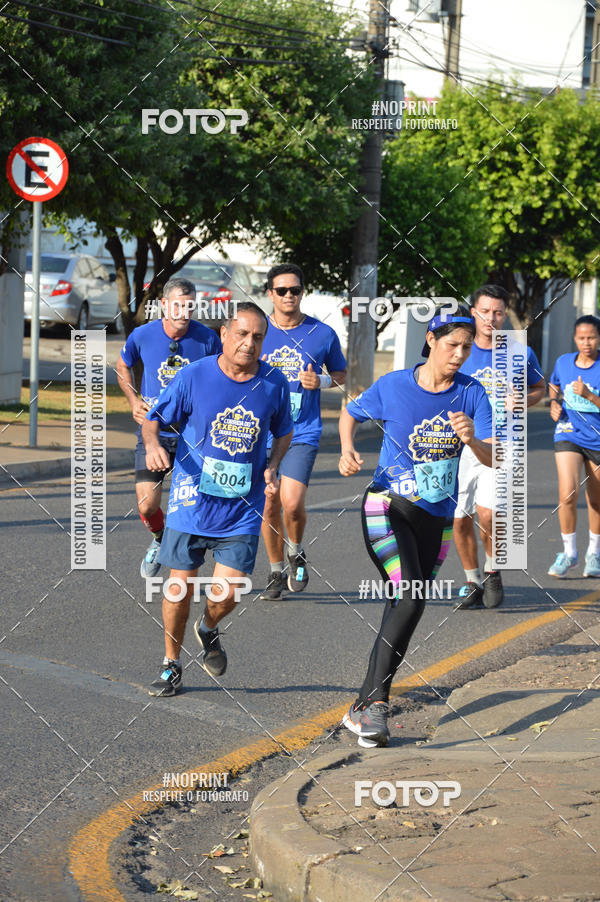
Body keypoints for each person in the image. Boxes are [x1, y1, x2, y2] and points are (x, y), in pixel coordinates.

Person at [338, 306, 494, 748]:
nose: (460, 354)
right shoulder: (393, 386)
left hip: (437, 518)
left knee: (409, 606)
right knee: (408, 596)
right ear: (430, 340)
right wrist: (347, 449)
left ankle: (361, 708)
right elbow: (351, 413)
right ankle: (375, 706)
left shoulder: (472, 394)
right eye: (452, 345)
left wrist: (473, 440)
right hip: (387, 506)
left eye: (467, 346)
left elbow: (496, 457)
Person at [141, 302, 293, 696]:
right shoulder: (194, 376)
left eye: (257, 337)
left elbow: (284, 432)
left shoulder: (274, 384)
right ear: (224, 335)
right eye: (241, 334)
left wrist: (274, 464)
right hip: (192, 503)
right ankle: (170, 664)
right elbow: (153, 419)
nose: (249, 343)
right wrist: (154, 445)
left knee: (230, 591)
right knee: (179, 588)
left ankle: (208, 627)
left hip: (242, 508)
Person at [116, 278, 221, 579]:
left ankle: (193, 564)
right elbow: (123, 365)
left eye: (189, 306)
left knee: (194, 507)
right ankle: (160, 540)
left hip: (194, 437)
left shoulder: (207, 340)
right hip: (154, 434)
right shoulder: (142, 335)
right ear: (164, 305)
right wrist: (133, 399)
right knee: (148, 505)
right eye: (177, 305)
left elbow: (220, 374)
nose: (183, 312)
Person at [258, 263, 347, 600]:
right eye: (281, 290)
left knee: (291, 504)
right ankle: (276, 570)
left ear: (302, 292)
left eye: (294, 290)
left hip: (301, 431)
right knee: (268, 505)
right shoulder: (258, 331)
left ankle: (295, 549)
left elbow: (341, 373)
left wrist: (321, 381)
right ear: (270, 293)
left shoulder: (321, 333)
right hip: (258, 433)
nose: (289, 296)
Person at [454, 285, 545, 609]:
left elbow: (540, 387)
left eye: (497, 312)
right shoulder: (458, 348)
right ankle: (472, 580)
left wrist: (525, 399)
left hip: (504, 444)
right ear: (473, 312)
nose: (490, 318)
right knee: (460, 517)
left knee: (489, 513)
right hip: (461, 445)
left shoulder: (520, 352)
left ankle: (493, 568)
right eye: (484, 311)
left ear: (505, 315)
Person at [548, 314, 600, 578]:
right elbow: (553, 385)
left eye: (591, 337)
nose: (586, 342)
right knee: (567, 493)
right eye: (581, 337)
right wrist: (554, 403)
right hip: (568, 432)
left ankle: (594, 552)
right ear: (574, 338)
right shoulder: (564, 362)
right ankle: (569, 553)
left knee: (596, 497)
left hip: (597, 439)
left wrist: (590, 395)